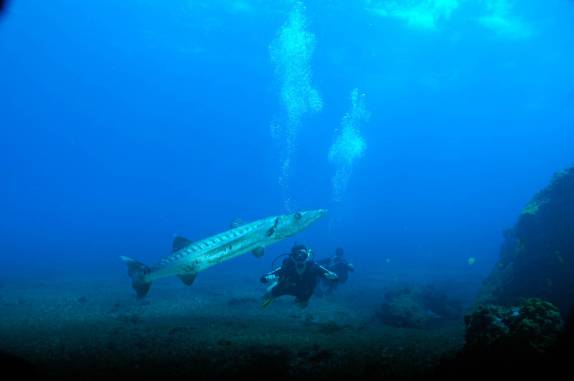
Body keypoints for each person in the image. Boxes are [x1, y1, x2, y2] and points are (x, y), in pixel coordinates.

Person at [260, 244, 337, 308]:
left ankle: (298, 301)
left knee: (302, 306)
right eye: (296, 255)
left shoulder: (313, 267)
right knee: (268, 294)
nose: (299, 257)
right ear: (292, 257)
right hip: (286, 287)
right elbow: (265, 277)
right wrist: (267, 278)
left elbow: (332, 276)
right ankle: (274, 286)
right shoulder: (287, 266)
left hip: (305, 291)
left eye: (303, 255)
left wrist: (333, 277)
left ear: (307, 256)